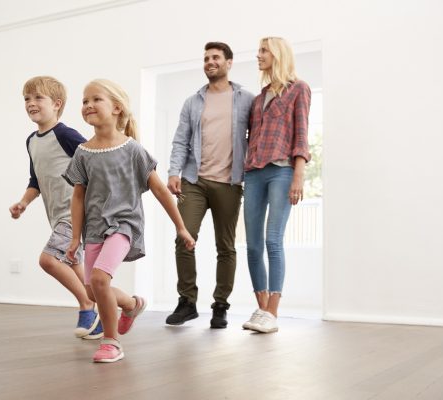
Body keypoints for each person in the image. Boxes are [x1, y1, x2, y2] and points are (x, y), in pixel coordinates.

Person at [64, 79, 195, 363]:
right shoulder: (83, 152)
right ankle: (132, 304)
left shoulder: (133, 149)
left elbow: (160, 189)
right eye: (84, 101)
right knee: (93, 289)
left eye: (95, 99)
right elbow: (77, 198)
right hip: (95, 229)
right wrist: (75, 237)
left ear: (117, 108)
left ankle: (111, 342)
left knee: (99, 279)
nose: (87, 105)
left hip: (125, 226)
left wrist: (181, 227)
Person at [166, 42, 254, 329]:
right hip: (194, 181)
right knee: (184, 238)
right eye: (206, 58)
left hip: (229, 183)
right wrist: (173, 171)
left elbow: (256, 138)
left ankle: (220, 305)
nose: (210, 62)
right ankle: (187, 301)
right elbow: (181, 139)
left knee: (226, 246)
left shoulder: (246, 99)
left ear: (229, 62)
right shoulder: (193, 102)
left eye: (215, 57)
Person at [9, 76, 102, 340]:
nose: (31, 103)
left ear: (57, 104)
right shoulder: (32, 141)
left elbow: (94, 158)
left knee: (48, 260)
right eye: (27, 99)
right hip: (56, 216)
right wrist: (23, 202)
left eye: (38, 98)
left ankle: (87, 306)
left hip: (75, 213)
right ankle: (116, 309)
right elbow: (36, 180)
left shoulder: (65, 134)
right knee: (74, 266)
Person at [242, 37, 311, 333]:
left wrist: (299, 174)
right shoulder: (259, 98)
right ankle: (260, 309)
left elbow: (302, 133)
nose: (258, 56)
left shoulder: (299, 89)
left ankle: (273, 311)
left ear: (277, 54)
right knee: (252, 245)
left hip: (282, 172)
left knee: (273, 240)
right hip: (254, 174)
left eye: (263, 51)